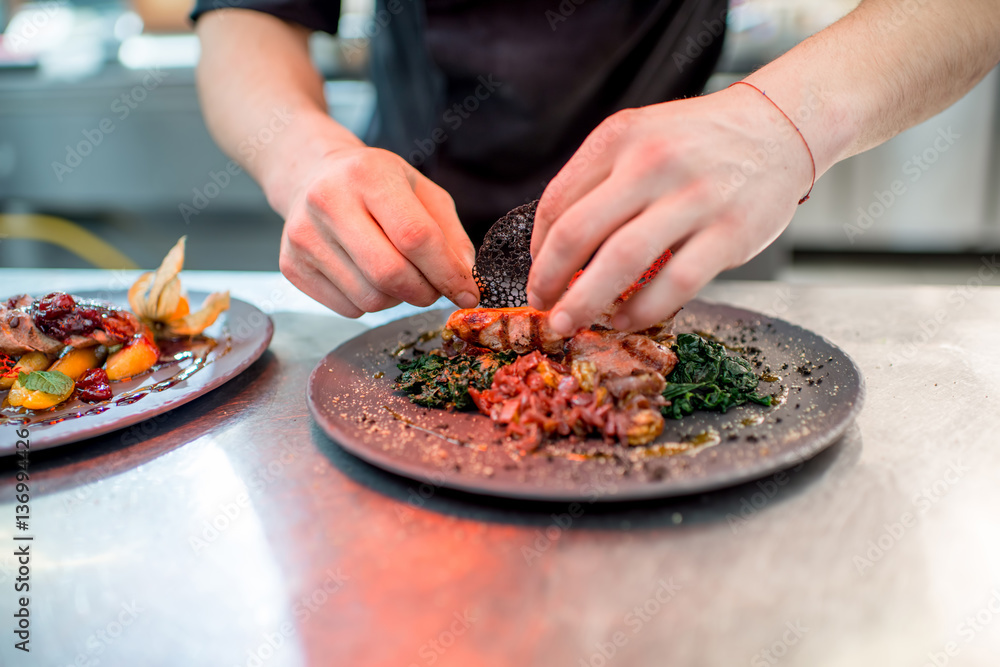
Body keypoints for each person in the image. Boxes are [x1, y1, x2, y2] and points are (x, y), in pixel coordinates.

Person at [193, 0, 1000, 337]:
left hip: (684, 226)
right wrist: (308, 159)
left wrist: (783, 122)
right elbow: (247, 23)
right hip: (402, 247)